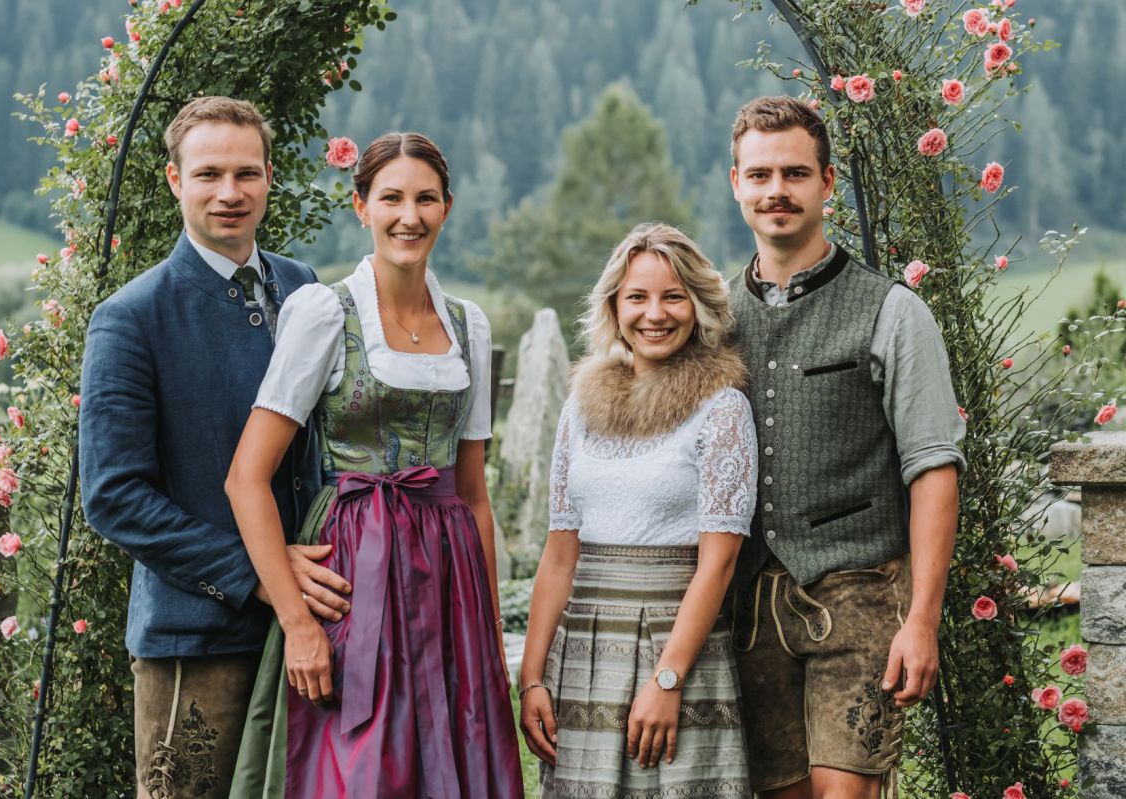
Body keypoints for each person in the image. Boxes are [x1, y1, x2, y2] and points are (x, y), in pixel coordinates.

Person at [225, 132, 524, 798]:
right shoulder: (324, 314)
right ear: (361, 206)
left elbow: (474, 494)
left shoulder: (469, 324)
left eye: (425, 199)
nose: (409, 216)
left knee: (452, 759)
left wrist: (487, 634)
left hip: (450, 574)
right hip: (355, 568)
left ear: (448, 207)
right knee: (356, 768)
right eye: (391, 197)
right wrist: (298, 622)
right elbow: (246, 477)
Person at [80, 97, 351, 799]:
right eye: (208, 174)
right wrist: (258, 571)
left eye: (246, 173)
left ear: (268, 179)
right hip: (200, 636)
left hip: (322, 619)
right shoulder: (131, 318)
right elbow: (114, 497)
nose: (229, 193)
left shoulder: (304, 288)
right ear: (175, 180)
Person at [724, 95, 965, 799]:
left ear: (828, 184)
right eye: (761, 175)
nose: (777, 191)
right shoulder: (709, 316)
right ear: (735, 182)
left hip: (863, 598)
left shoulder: (893, 310)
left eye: (795, 174)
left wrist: (922, 620)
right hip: (747, 609)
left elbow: (933, 469)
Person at [518, 222, 756, 798]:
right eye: (637, 297)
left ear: (698, 305)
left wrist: (668, 680)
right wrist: (531, 681)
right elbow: (559, 556)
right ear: (613, 307)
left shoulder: (722, 408)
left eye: (673, 296)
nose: (656, 313)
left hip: (676, 651)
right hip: (584, 652)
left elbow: (717, 567)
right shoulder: (580, 406)